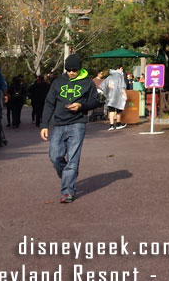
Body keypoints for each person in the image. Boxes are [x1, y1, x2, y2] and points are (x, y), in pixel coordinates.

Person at [41, 53, 101, 203]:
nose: (71, 72)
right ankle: (69, 175)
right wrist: (44, 125)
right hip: (59, 124)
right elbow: (49, 103)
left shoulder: (88, 83)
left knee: (73, 159)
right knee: (55, 156)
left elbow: (95, 102)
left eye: (74, 70)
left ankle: (67, 191)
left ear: (80, 69)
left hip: (77, 124)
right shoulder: (58, 82)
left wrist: (82, 106)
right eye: (68, 70)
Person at [100, 65, 128, 130]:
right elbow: (122, 87)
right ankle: (118, 124)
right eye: (122, 68)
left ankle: (111, 125)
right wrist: (125, 95)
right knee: (119, 110)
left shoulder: (110, 77)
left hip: (110, 96)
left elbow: (103, 86)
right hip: (118, 96)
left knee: (111, 110)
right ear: (120, 68)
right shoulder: (120, 76)